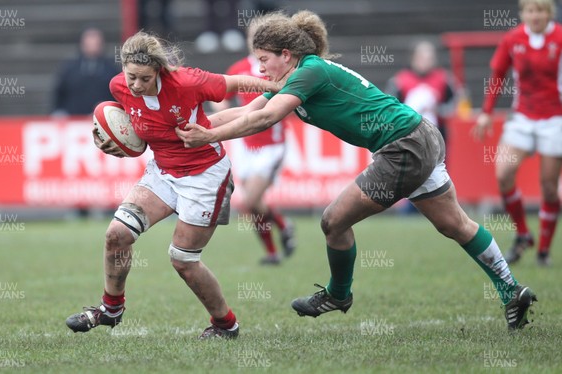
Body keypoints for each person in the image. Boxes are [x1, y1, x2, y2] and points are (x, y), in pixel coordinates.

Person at [176, 10, 538, 330]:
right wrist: (183, 129)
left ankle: (338, 295)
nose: (260, 69)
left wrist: (209, 136)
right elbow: (243, 112)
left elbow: (266, 119)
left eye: (264, 59)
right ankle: (512, 290)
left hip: (403, 146)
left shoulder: (309, 71)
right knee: (454, 224)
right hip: (417, 135)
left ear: (286, 55)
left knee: (333, 220)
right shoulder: (293, 77)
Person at [65, 31, 279, 339]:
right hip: (162, 171)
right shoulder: (118, 86)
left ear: (160, 71)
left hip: (205, 175)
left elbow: (237, 83)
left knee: (183, 261)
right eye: (131, 77)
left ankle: (225, 324)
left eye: (144, 78)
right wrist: (109, 140)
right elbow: (129, 127)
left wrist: (279, 87)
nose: (135, 85)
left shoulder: (189, 82)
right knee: (117, 234)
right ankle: (111, 309)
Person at [472, 0, 562, 267]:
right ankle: (523, 233)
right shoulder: (513, 39)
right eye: (531, 11)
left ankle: (543, 252)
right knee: (503, 174)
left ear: (549, 13)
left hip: (554, 119)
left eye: (541, 10)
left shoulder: (559, 37)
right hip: (522, 117)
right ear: (523, 14)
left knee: (548, 187)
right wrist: (487, 111)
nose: (536, 16)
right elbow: (498, 74)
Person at [210, 19, 295, 265]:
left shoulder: (279, 68)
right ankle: (274, 246)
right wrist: (222, 108)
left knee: (250, 201)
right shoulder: (239, 67)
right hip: (246, 145)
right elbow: (221, 98)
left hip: (272, 145)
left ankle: (281, 229)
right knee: (254, 205)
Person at [385, 40, 459, 214]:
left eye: (429, 57)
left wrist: (438, 110)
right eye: (421, 57)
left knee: (438, 174)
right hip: (410, 136)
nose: (425, 61)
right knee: (412, 173)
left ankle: (443, 209)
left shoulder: (444, 79)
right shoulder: (400, 81)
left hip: (437, 136)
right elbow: (389, 107)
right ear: (413, 58)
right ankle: (410, 208)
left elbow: (455, 103)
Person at [52, 27, 119, 116]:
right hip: (73, 120)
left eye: (96, 40)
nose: (92, 44)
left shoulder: (111, 69)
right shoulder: (69, 68)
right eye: (89, 40)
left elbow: (116, 96)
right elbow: (59, 94)